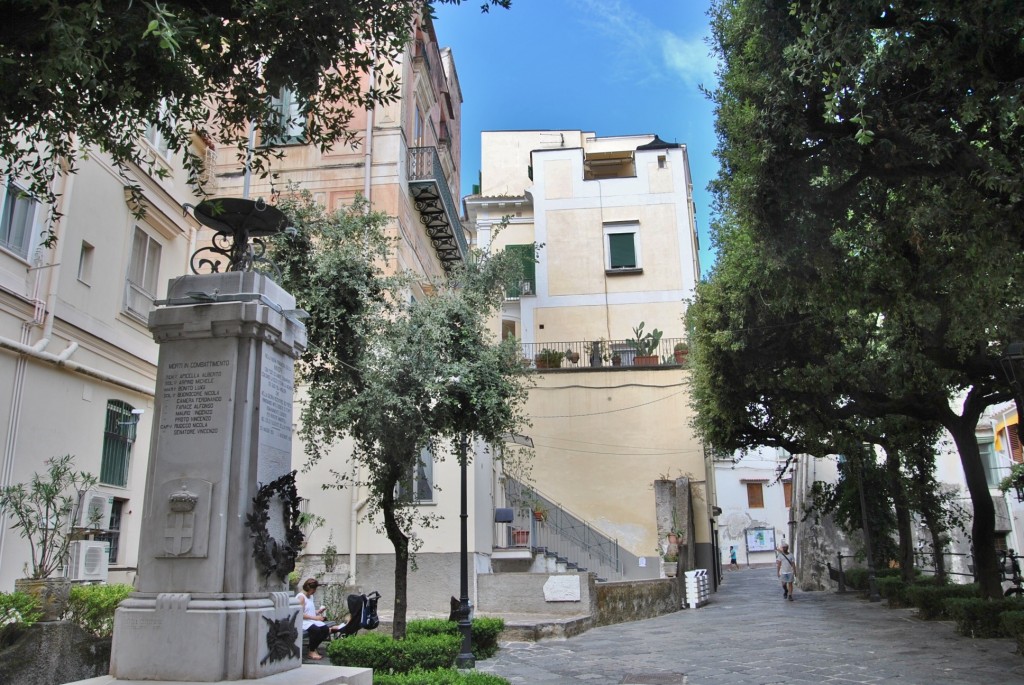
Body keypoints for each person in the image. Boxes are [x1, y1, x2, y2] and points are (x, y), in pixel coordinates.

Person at [297, 578, 340, 660]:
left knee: (325, 629)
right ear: (309, 588)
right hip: (302, 621)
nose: (315, 591)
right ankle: (311, 651)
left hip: (310, 620)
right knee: (316, 630)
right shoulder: (301, 597)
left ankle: (312, 647)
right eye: (314, 589)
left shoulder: (310, 596)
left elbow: (309, 611)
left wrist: (318, 611)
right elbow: (300, 614)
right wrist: (316, 618)